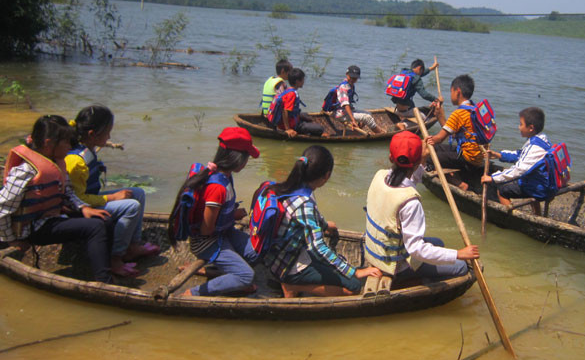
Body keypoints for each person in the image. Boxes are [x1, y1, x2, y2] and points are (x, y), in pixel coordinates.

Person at [1, 115, 113, 283]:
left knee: (104, 218)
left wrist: (83, 208)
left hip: (51, 218)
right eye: (66, 142)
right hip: (33, 228)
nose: (70, 146)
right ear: (48, 143)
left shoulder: (56, 164)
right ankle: (104, 281)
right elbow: (2, 209)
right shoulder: (25, 172)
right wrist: (12, 240)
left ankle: (90, 267)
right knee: (95, 227)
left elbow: (67, 191)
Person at [262, 145, 381, 297]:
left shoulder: (290, 187)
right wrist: (355, 271)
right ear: (326, 176)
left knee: (339, 269)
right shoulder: (304, 202)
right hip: (287, 265)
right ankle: (292, 286)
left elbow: (307, 217)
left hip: (276, 257)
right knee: (354, 287)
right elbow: (318, 248)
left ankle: (293, 282)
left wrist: (325, 225)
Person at [365, 131, 478, 281]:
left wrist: (422, 159)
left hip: (375, 251)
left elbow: (408, 179)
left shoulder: (380, 175)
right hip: (394, 265)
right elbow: (417, 250)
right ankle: (417, 280)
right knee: (461, 266)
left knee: (438, 243)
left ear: (391, 158)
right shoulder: (410, 202)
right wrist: (458, 254)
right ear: (417, 162)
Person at [66, 104, 158, 278]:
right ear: (92, 135)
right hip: (80, 208)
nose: (109, 136)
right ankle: (115, 258)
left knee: (138, 193)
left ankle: (133, 246)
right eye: (107, 132)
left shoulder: (88, 149)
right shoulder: (76, 161)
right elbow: (77, 199)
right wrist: (112, 197)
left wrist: (110, 197)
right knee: (131, 206)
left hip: (89, 199)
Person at [172, 127, 260, 297]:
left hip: (223, 233)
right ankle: (193, 293)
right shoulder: (217, 188)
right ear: (238, 159)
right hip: (206, 241)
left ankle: (222, 274)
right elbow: (206, 229)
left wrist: (228, 217)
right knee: (247, 275)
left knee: (257, 250)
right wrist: (232, 216)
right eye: (247, 157)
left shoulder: (224, 175)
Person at [480, 106, 554, 214]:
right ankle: (538, 216)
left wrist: (492, 178)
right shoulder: (541, 138)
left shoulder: (534, 148)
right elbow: (520, 154)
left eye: (521, 124)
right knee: (525, 180)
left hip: (541, 188)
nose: (519, 127)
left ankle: (512, 218)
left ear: (531, 128)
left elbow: (518, 170)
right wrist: (498, 155)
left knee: (502, 190)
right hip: (543, 182)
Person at [425, 74, 486, 190]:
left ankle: (458, 183)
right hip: (477, 157)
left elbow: (438, 138)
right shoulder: (474, 108)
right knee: (437, 148)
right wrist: (439, 115)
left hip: (468, 159)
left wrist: (425, 141)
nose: (450, 95)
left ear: (457, 92)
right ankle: (451, 171)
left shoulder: (458, 114)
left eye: (451, 91)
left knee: (428, 156)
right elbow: (452, 132)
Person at [266, 68, 328, 138]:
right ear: (297, 81)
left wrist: (301, 116)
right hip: (290, 125)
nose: (304, 82)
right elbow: (285, 111)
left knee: (305, 115)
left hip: (287, 121)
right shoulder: (292, 94)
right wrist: (288, 129)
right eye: (303, 80)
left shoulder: (288, 90)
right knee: (320, 129)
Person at [324, 65, 385, 134]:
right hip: (340, 113)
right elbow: (346, 104)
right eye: (351, 77)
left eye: (355, 78)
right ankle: (380, 134)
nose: (353, 80)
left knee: (369, 113)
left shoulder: (350, 84)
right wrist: (353, 120)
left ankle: (356, 132)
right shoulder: (343, 87)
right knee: (367, 118)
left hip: (345, 111)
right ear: (347, 75)